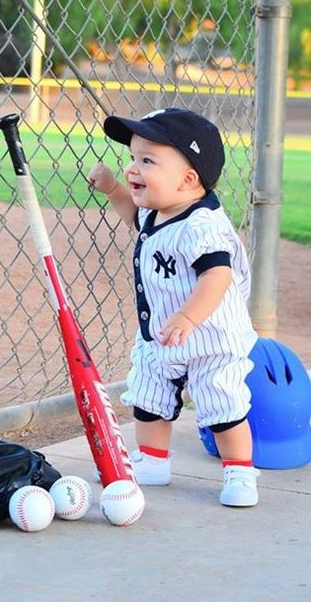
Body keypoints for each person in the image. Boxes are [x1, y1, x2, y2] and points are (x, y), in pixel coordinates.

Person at [87, 107, 260, 507]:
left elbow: (216, 276)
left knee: (222, 405)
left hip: (210, 339)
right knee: (147, 398)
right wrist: (114, 188)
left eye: (147, 161)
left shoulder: (202, 227)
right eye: (133, 157)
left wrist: (189, 316)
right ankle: (152, 461)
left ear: (188, 179)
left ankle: (239, 471)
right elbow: (134, 217)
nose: (133, 168)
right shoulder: (158, 212)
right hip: (161, 335)